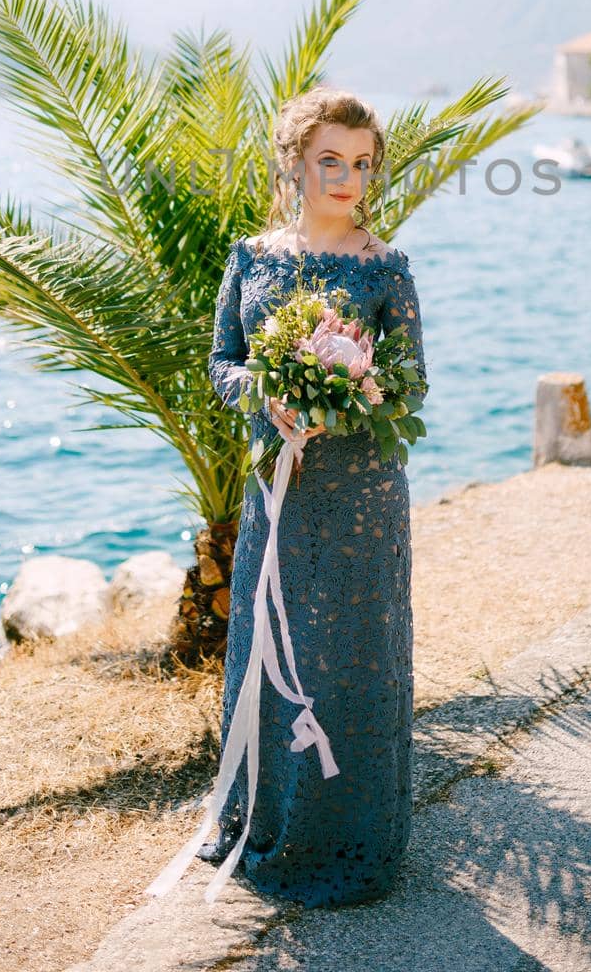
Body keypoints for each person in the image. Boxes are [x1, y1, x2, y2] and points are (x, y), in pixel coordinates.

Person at [193, 86, 428, 907]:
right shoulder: (251, 259)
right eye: (330, 160)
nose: (346, 178)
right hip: (279, 492)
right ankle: (263, 822)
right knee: (274, 644)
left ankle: (355, 839)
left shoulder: (385, 268)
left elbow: (413, 383)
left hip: (363, 494)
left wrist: (352, 393)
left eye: (361, 164)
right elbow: (221, 362)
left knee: (353, 661)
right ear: (296, 163)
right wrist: (269, 395)